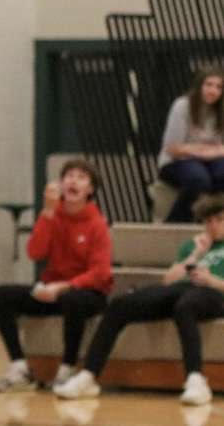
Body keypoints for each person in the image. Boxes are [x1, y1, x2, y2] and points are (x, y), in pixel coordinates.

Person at [55, 193, 224, 406]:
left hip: (214, 293)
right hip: (181, 288)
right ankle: (88, 375)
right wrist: (196, 255)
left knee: (186, 306)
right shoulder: (194, 245)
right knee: (119, 305)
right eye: (208, 221)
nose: (213, 226)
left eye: (220, 220)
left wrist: (210, 280)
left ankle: (196, 380)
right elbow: (168, 280)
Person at [0, 159, 112, 393]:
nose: (73, 180)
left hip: (88, 293)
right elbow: (35, 252)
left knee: (72, 299)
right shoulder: (53, 216)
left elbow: (100, 273)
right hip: (53, 289)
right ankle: (19, 366)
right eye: (69, 176)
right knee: (0, 295)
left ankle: (67, 368)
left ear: (90, 190)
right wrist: (46, 212)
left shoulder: (97, 223)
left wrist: (64, 286)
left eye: (81, 177)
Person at [158, 67, 224, 223]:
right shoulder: (182, 106)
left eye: (219, 87)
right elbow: (173, 148)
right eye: (209, 84)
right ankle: (173, 225)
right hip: (176, 162)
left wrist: (198, 149)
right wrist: (208, 151)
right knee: (199, 180)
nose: (213, 90)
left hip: (210, 162)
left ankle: (212, 223)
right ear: (200, 85)